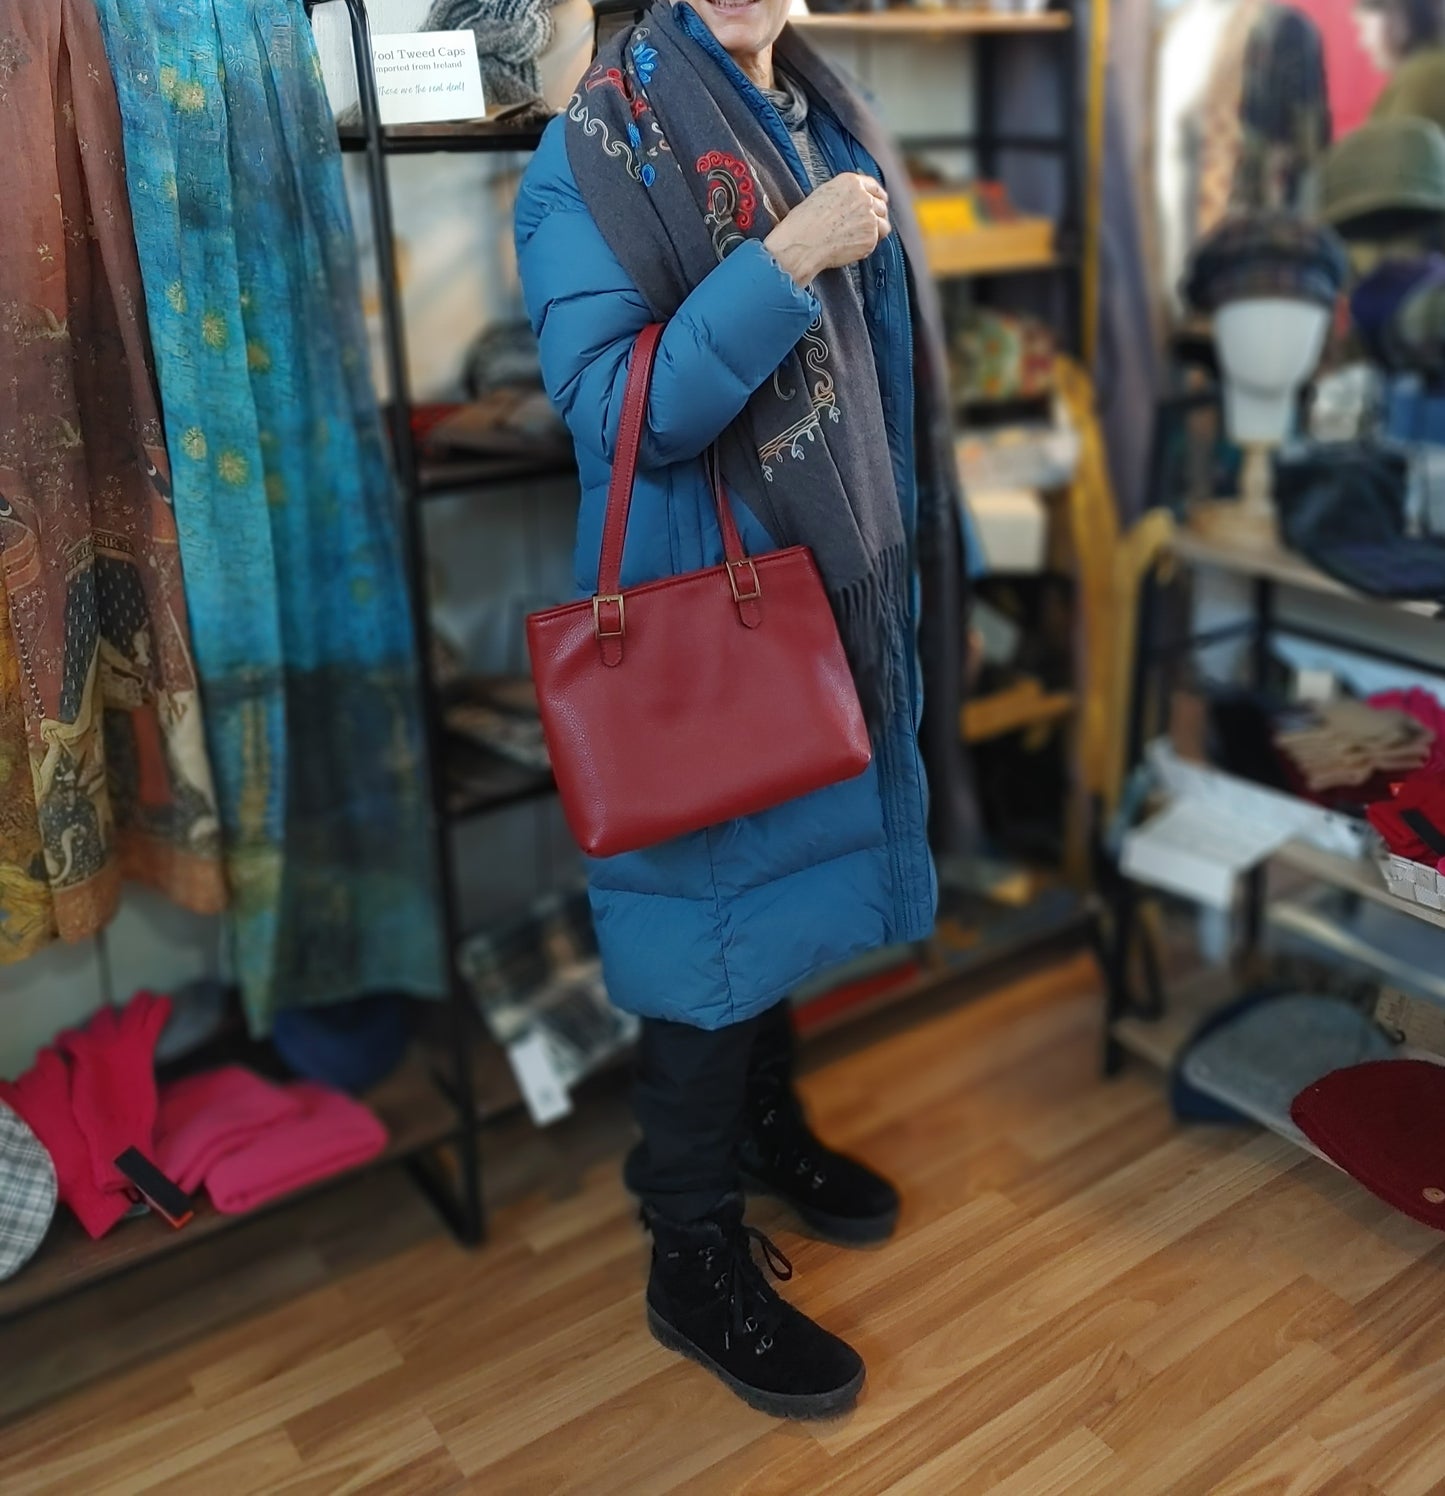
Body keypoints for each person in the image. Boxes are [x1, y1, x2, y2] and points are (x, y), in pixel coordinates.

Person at [515, 0, 969, 1419]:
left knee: (776, 901)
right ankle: (689, 1251)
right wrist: (783, 260)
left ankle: (769, 1130)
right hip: (703, 611)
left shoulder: (828, 116)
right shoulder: (588, 150)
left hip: (825, 591)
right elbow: (617, 413)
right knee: (706, 933)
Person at [1357, 0, 1445, 129]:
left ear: (1396, 21)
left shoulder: (1421, 80)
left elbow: (1395, 146)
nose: (1363, 42)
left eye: (1365, 28)